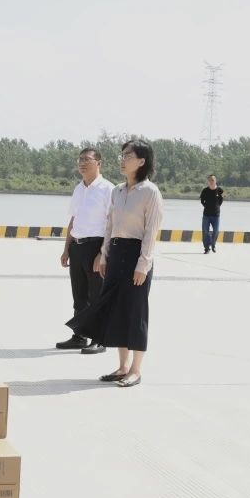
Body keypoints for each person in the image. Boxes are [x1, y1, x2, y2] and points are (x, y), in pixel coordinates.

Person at [66, 140, 164, 388]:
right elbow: (109, 225)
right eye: (122, 155)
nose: (122, 160)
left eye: (128, 156)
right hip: (116, 252)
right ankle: (122, 367)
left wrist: (143, 264)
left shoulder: (150, 192)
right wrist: (104, 254)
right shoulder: (117, 191)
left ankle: (136, 370)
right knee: (118, 311)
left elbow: (151, 232)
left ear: (141, 161)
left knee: (135, 312)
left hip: (136, 255)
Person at [56, 147, 113, 354]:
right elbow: (74, 220)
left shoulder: (108, 189)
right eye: (80, 159)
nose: (82, 163)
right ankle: (79, 336)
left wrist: (102, 253)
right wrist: (66, 249)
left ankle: (100, 338)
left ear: (99, 163)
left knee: (97, 295)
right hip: (77, 247)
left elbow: (112, 223)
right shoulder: (79, 189)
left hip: (96, 246)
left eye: (87, 159)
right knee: (79, 295)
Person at [200, 174, 223, 253]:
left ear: (215, 181)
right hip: (206, 215)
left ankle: (213, 245)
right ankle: (207, 248)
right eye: (210, 180)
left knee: (216, 231)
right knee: (205, 231)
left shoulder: (220, 190)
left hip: (216, 215)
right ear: (208, 181)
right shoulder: (205, 190)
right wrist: (207, 206)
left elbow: (221, 200)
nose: (211, 181)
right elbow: (202, 201)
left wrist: (216, 207)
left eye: (212, 180)